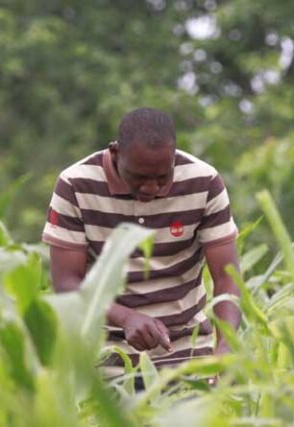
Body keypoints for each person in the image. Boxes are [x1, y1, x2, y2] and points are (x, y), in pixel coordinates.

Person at [42, 108, 241, 379]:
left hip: (190, 358)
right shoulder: (76, 185)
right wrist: (125, 318)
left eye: (162, 177)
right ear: (115, 153)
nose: (151, 188)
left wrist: (226, 346)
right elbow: (67, 284)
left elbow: (227, 277)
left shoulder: (203, 181)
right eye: (139, 177)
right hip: (104, 362)